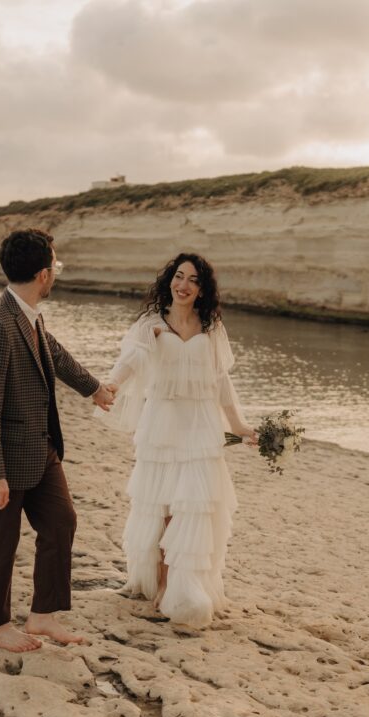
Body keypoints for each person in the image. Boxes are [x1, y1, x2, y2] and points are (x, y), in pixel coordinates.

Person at [0, 228, 115, 652]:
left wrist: (94, 388)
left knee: (62, 523)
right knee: (0, 543)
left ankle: (42, 616)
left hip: (41, 447)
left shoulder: (26, 313)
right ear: (45, 274)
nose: (57, 273)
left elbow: (54, 352)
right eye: (57, 266)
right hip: (4, 460)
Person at [97, 253, 256, 627]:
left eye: (193, 280)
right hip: (164, 420)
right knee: (165, 504)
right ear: (169, 280)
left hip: (201, 422)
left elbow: (221, 380)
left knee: (194, 504)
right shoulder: (151, 324)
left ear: (202, 289)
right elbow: (130, 361)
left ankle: (186, 582)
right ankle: (163, 584)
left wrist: (239, 425)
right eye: (179, 276)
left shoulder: (211, 326)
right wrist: (112, 387)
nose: (183, 285)